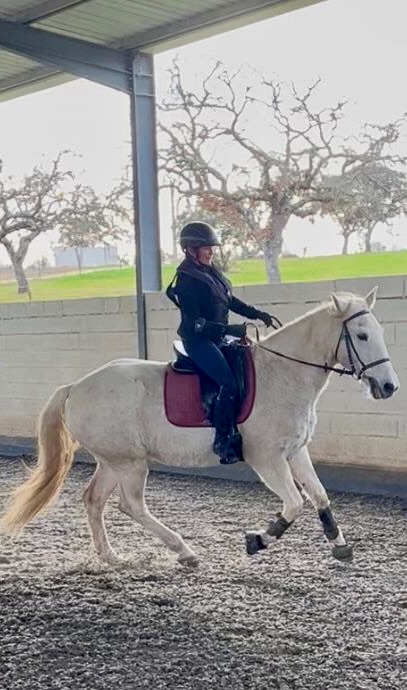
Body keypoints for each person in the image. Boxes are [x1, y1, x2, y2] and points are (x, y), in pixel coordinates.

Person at [166, 221, 275, 465]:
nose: (211, 251)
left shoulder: (210, 272)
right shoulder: (187, 280)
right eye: (206, 247)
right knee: (228, 383)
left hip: (217, 337)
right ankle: (223, 441)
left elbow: (228, 300)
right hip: (198, 341)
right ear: (191, 249)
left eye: (212, 247)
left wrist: (256, 314)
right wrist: (229, 329)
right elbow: (195, 322)